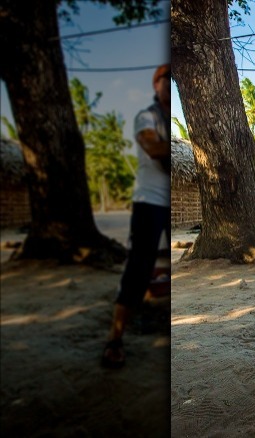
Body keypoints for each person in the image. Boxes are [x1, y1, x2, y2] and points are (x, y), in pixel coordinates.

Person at [101, 64, 171, 368]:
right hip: (150, 202)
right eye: (164, 79)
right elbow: (153, 147)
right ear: (155, 85)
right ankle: (114, 338)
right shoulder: (147, 117)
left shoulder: (171, 120)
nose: (169, 83)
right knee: (138, 268)